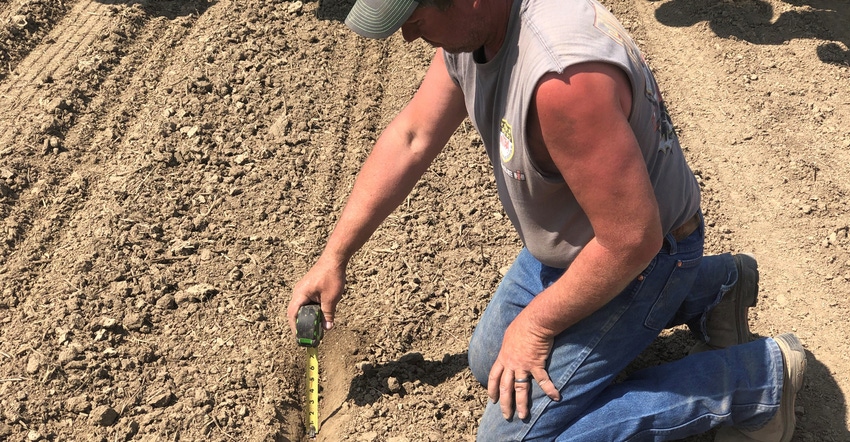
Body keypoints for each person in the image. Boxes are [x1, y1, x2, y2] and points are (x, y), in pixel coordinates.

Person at [286, 0, 807, 438]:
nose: (405, 34)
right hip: (579, 241)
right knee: (490, 362)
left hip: (643, 255)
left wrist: (536, 324)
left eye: (413, 14)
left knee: (511, 435)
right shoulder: (473, 33)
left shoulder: (561, 81)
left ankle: (756, 379)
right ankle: (717, 288)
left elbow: (631, 240)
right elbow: (412, 137)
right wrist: (334, 255)